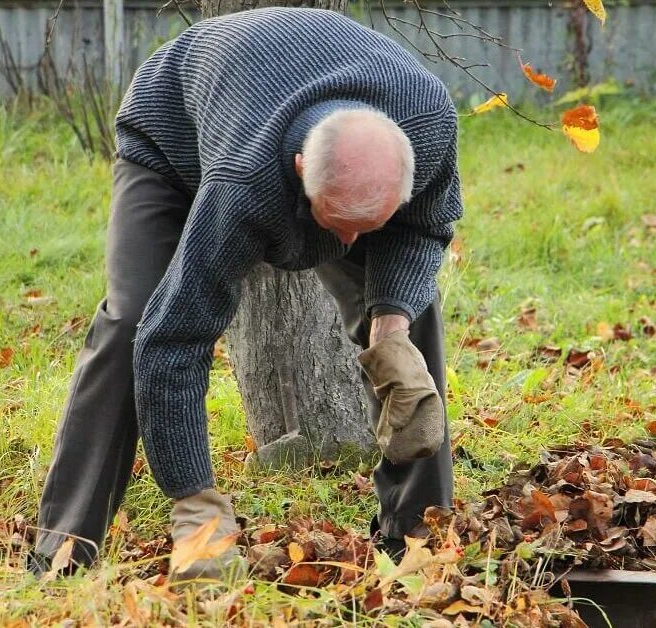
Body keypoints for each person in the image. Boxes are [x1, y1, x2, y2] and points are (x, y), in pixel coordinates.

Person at [29, 6, 462, 579]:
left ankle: (418, 538)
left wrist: (390, 327)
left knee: (411, 315)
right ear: (302, 168)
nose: (350, 243)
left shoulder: (427, 123)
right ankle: (63, 551)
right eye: (336, 225)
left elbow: (423, 229)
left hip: (306, 132)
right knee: (134, 320)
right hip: (172, 141)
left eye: (369, 225)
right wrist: (194, 503)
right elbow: (173, 339)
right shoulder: (244, 182)